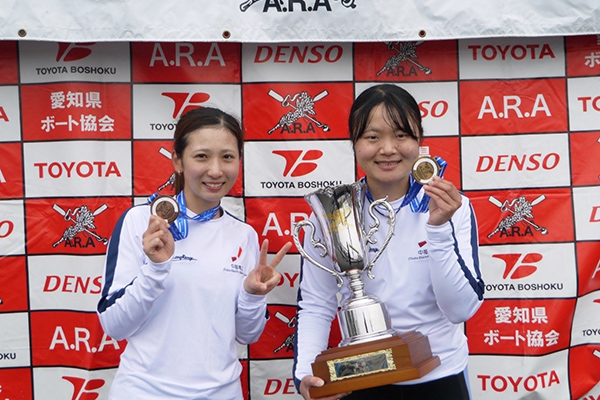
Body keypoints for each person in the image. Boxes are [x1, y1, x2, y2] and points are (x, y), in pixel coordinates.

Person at [293, 84, 485, 400]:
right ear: (354, 143)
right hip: (359, 381)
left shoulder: (452, 207)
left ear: (419, 141)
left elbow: (459, 309)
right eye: (372, 137)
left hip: (440, 377)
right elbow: (317, 302)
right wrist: (305, 373)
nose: (388, 149)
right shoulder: (335, 212)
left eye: (401, 135)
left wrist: (437, 230)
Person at [97, 106, 292, 399]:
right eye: (202, 156)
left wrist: (253, 295)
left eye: (227, 157)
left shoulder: (245, 236)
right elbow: (114, 325)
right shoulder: (141, 222)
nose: (216, 170)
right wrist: (155, 270)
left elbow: (246, 335)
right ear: (178, 160)